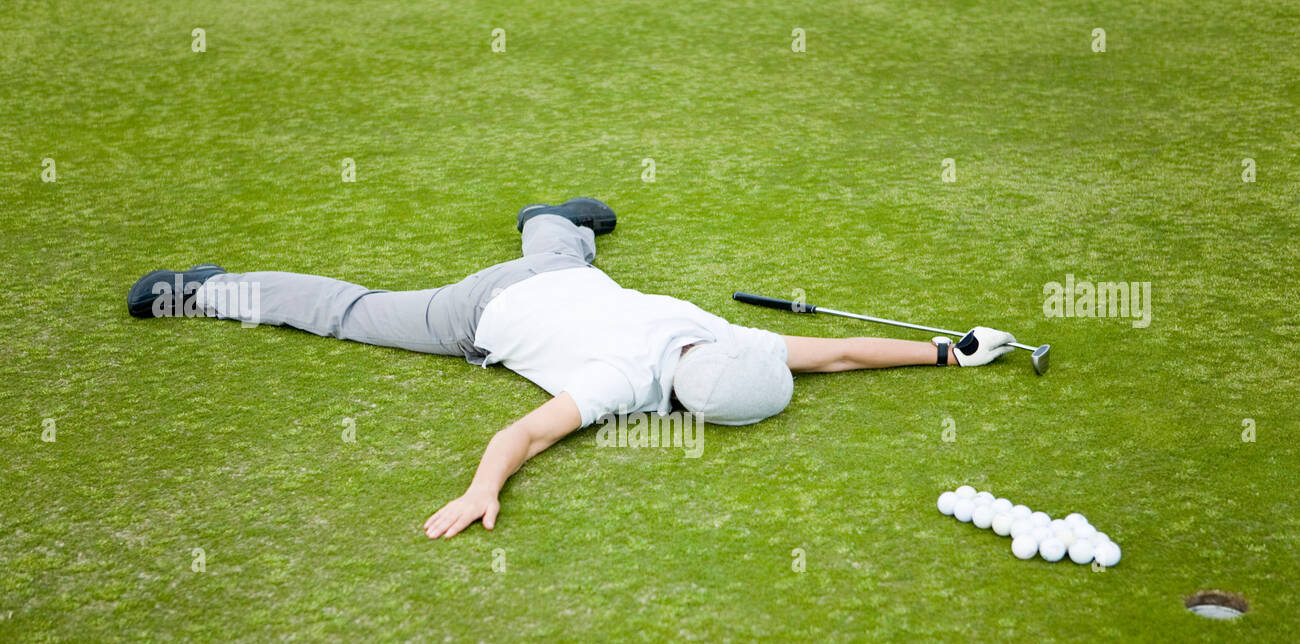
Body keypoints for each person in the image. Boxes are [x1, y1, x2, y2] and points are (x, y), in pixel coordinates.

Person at [127, 197, 1016, 539]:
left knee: (557, 239)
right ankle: (201, 292)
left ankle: (556, 213)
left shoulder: (710, 333)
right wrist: (485, 490)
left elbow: (842, 353)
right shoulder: (631, 388)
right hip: (472, 315)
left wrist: (950, 351)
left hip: (556, 273)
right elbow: (520, 430)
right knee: (351, 314)